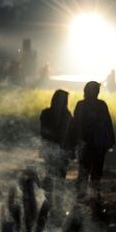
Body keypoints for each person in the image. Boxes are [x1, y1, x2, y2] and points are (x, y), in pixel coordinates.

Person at [72, 81, 115, 214]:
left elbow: (107, 123)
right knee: (87, 173)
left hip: (95, 144)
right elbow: (77, 124)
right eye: (95, 90)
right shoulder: (97, 105)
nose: (97, 93)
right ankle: (88, 199)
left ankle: (89, 199)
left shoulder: (85, 105)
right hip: (90, 144)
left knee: (92, 173)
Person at [39, 89, 73, 219]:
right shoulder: (66, 115)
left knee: (54, 178)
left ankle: (51, 206)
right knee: (57, 179)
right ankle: (53, 206)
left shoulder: (47, 113)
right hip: (57, 150)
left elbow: (44, 133)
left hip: (56, 150)